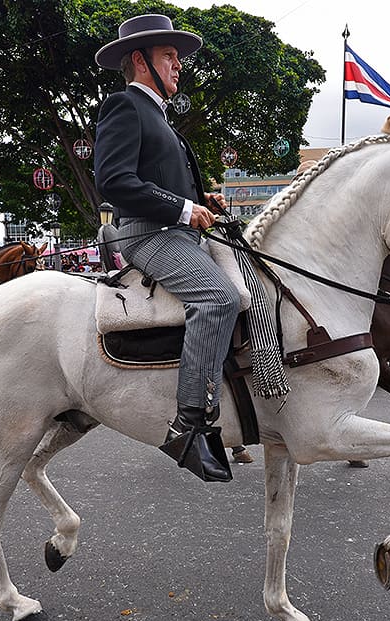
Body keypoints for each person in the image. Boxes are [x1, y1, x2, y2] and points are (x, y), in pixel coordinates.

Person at [93, 14, 237, 480]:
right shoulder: (125, 106)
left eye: (177, 57)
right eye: (169, 56)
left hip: (178, 230)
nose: (179, 65)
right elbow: (114, 181)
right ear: (140, 61)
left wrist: (200, 201)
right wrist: (181, 208)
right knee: (219, 296)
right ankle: (190, 426)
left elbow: (161, 180)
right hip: (148, 235)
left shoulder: (160, 116)